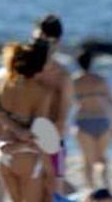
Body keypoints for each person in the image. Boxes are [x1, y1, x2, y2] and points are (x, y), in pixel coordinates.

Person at [0, 40, 52, 202]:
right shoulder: (42, 92)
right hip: (27, 155)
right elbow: (38, 131)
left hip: (2, 151)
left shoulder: (2, 77)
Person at [32, 14, 76, 196]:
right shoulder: (60, 74)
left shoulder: (61, 75)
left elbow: (62, 115)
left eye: (37, 40)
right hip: (39, 136)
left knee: (50, 192)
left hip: (46, 138)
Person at [72, 50, 112, 190]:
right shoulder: (100, 79)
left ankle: (91, 190)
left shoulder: (74, 81)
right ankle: (105, 187)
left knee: (88, 159)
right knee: (102, 157)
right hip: (102, 120)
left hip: (83, 120)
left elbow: (67, 102)